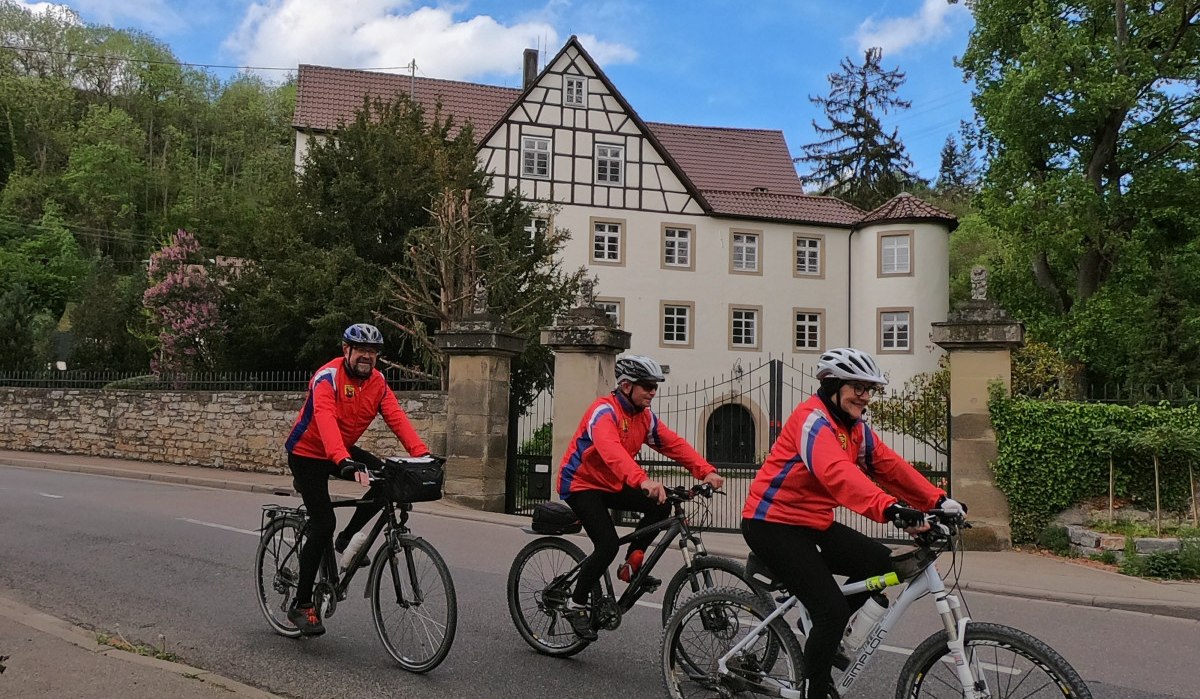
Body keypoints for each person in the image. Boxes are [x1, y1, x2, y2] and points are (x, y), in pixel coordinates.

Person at [740, 348, 964, 699]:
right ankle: (814, 689)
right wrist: (891, 509)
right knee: (830, 610)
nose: (865, 396)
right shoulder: (812, 420)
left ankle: (820, 631)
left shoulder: (855, 429)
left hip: (812, 521)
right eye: (857, 387)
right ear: (832, 385)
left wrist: (937, 501)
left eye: (869, 389)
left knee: (879, 563)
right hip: (771, 522)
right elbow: (837, 474)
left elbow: (890, 467)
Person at [556, 354, 725, 641]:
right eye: (647, 386)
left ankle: (633, 562)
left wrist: (705, 471)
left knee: (661, 504)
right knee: (606, 544)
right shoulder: (604, 413)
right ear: (626, 386)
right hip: (581, 484)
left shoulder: (643, 418)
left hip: (611, 483)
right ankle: (576, 603)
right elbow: (612, 453)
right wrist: (643, 480)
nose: (653, 392)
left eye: (655, 386)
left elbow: (673, 444)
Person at [282, 322, 432, 636]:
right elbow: (324, 418)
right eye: (361, 349)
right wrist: (342, 461)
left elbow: (397, 418)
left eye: (373, 352)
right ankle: (301, 604)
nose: (367, 356)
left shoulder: (377, 382)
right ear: (346, 350)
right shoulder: (328, 377)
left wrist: (423, 455)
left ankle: (346, 539)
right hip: (309, 453)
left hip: (342, 452)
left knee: (386, 484)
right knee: (322, 523)